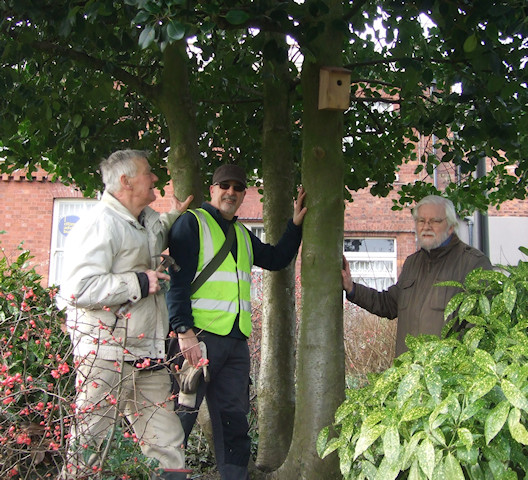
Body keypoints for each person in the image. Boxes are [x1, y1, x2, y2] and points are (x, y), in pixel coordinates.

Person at [166, 164, 307, 480]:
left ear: (244, 194)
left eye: (238, 187)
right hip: (197, 339)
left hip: (234, 343)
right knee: (180, 417)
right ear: (213, 189)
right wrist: (183, 332)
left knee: (234, 420)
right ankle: (165, 474)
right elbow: (176, 284)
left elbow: (274, 258)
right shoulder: (192, 224)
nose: (231, 192)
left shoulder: (242, 235)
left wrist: (295, 225)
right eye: (224, 186)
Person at [59, 150, 193, 480]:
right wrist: (135, 282)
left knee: (168, 444)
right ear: (126, 181)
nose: (156, 179)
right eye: (149, 173)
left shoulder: (142, 220)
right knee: (89, 445)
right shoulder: (98, 224)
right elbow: (76, 289)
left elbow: (151, 236)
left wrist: (174, 215)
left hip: (146, 354)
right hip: (106, 355)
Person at [342, 195, 492, 357]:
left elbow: (479, 328)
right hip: (409, 374)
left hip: (446, 377)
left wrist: (448, 365)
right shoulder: (412, 263)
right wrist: (352, 288)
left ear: (450, 226)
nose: (426, 226)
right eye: (421, 221)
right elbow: (388, 304)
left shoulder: (473, 263)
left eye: (435, 221)